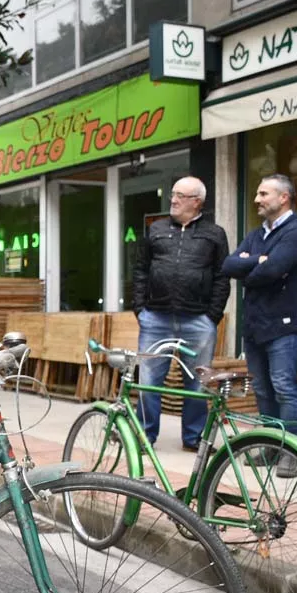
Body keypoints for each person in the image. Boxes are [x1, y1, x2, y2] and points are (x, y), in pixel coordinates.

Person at [222, 174, 297, 477]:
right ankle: (271, 446)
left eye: (263, 194)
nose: (257, 200)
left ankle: (292, 453)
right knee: (262, 389)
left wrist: (255, 265)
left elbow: (274, 269)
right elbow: (228, 265)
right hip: (255, 324)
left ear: (284, 197)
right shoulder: (256, 234)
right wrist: (257, 260)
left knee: (284, 387)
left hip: (284, 325)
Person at [132, 176, 230, 451]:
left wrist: (212, 316)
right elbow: (140, 269)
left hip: (198, 320)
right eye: (173, 194)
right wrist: (140, 309)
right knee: (149, 379)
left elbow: (223, 277)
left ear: (196, 201)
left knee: (197, 382)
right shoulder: (156, 230)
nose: (173, 200)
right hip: (155, 319)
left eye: (180, 195)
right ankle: (144, 436)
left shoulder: (215, 234)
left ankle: (194, 438)